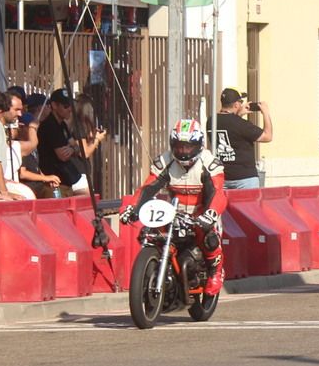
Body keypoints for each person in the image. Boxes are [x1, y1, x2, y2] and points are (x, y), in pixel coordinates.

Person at [121, 119, 227, 295]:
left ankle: (216, 272)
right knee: (149, 234)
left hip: (201, 212)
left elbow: (217, 193)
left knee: (208, 239)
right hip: (174, 212)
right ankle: (156, 269)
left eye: (188, 147)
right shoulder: (165, 161)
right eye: (179, 146)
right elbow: (148, 187)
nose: (183, 151)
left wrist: (209, 214)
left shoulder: (210, 163)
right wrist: (132, 208)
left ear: (199, 145)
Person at [36, 87, 106, 194]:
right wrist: (77, 148)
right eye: (66, 106)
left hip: (65, 180)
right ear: (54, 106)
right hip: (54, 182)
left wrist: (72, 149)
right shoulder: (50, 126)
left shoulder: (62, 125)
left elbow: (76, 147)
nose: (70, 109)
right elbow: (63, 155)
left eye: (71, 105)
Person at [0, 91, 60, 198]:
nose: (20, 114)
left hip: (14, 186)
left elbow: (33, 145)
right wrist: (33, 127)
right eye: (17, 110)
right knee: (28, 195)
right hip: (6, 189)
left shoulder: (15, 146)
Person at [212, 87, 273, 190]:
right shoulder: (241, 125)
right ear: (236, 105)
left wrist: (238, 115)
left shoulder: (211, 121)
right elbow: (268, 136)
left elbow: (229, 126)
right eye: (240, 102)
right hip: (245, 178)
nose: (241, 105)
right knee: (248, 206)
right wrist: (265, 113)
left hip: (223, 177)